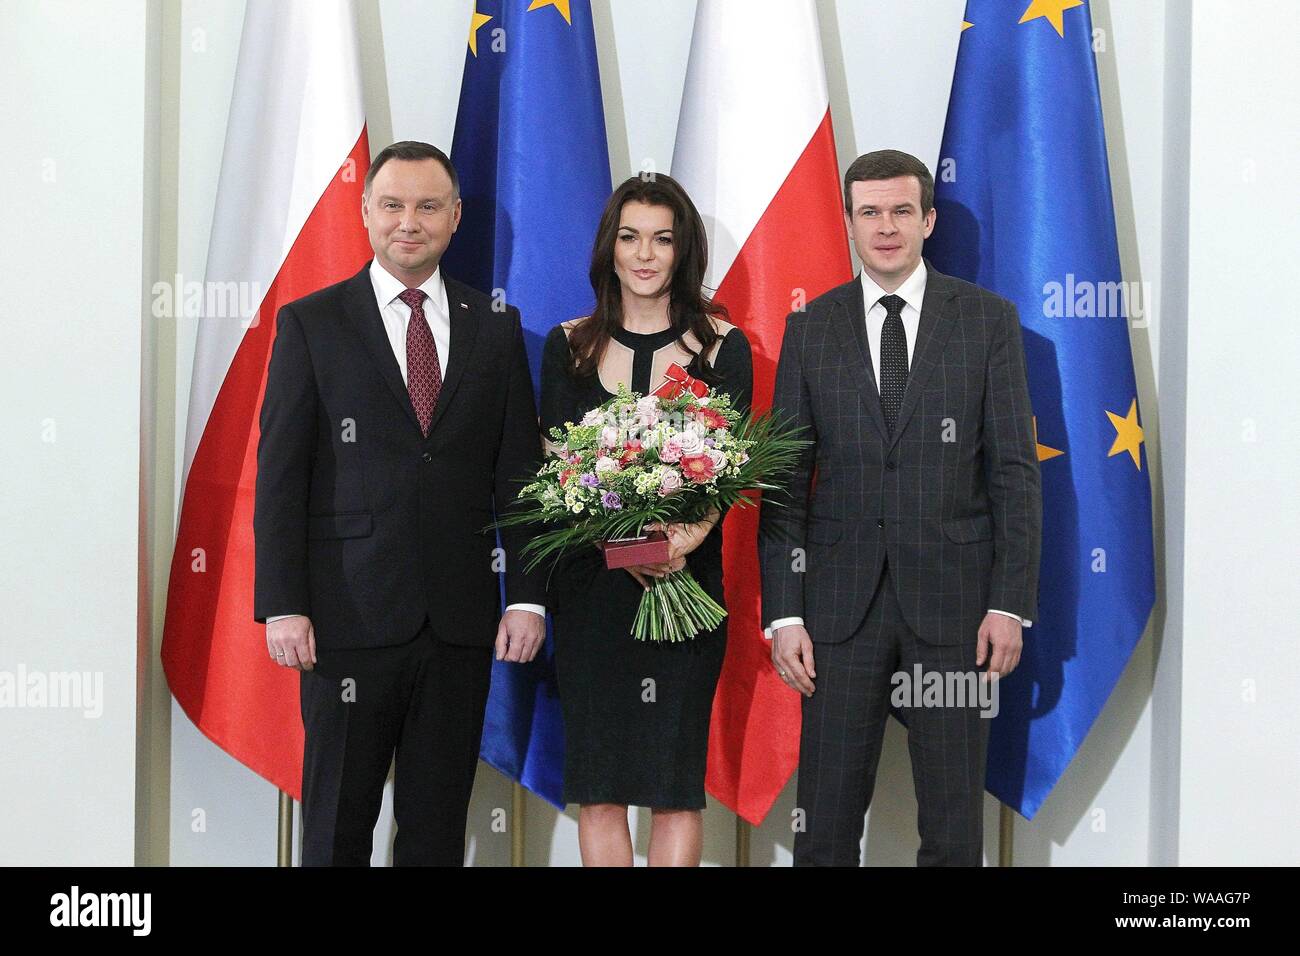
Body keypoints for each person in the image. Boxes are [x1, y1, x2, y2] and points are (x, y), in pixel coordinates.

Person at [253, 141, 546, 866]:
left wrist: (529, 599)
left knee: (436, 831)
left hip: (459, 625)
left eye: (426, 206)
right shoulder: (311, 323)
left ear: (454, 217)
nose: (407, 222)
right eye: (392, 205)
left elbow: (521, 476)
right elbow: (281, 476)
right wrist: (283, 602)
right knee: (334, 830)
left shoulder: (495, 329)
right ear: (365, 212)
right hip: (345, 621)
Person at [760, 149, 1041, 866]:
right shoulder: (810, 328)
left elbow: (1014, 474)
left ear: (928, 219)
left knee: (952, 828)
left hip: (956, 615)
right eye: (870, 212)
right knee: (821, 827)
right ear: (850, 222)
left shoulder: (987, 322)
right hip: (836, 616)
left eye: (901, 211)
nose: (886, 227)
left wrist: (1009, 604)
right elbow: (787, 480)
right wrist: (786, 611)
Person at [539, 174, 753, 866]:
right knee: (600, 789)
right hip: (592, 597)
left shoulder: (723, 347)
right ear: (610, 247)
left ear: (682, 249)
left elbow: (729, 470)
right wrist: (636, 548)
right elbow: (555, 476)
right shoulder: (566, 345)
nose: (645, 254)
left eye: (663, 239)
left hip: (687, 594)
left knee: (673, 786)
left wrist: (677, 543)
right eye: (630, 236)